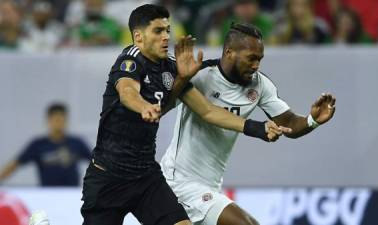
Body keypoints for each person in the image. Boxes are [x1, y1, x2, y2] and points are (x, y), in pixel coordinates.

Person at [80, 4, 288, 225]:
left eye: (168, 30)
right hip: (109, 177)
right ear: (138, 37)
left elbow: (207, 111)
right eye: (158, 31)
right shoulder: (129, 60)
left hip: (146, 177)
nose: (166, 37)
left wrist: (258, 127)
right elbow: (127, 91)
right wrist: (144, 107)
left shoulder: (170, 67)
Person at [161, 22, 336, 225]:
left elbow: (289, 123)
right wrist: (181, 79)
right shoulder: (201, 75)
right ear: (229, 52)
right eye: (251, 58)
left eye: (259, 59)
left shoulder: (259, 85)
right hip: (180, 180)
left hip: (210, 185)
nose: (256, 66)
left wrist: (312, 120)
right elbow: (163, 108)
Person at [0, 103, 92, 186]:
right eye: (56, 120)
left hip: (71, 194)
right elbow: (15, 164)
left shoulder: (76, 143)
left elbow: (95, 162)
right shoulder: (38, 145)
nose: (59, 123)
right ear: (49, 120)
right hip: (47, 195)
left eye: (62, 120)